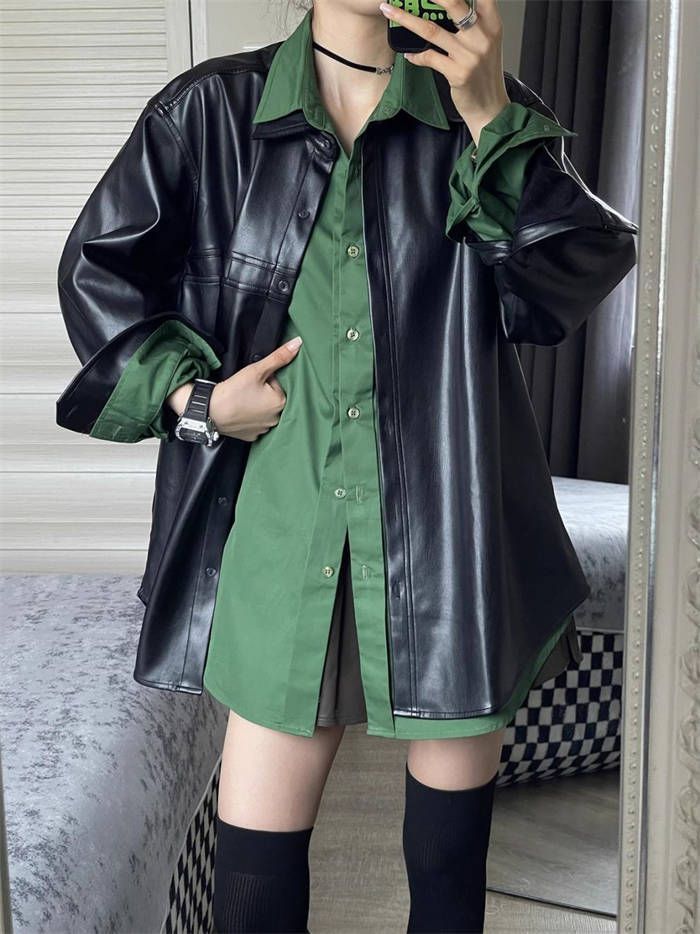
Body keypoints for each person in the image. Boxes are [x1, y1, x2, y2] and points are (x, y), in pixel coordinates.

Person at [54, 0, 638, 930]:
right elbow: (99, 271)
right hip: (281, 528)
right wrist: (198, 399)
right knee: (252, 883)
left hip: (452, 529)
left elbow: (561, 285)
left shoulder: (483, 104)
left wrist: (490, 116)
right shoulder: (210, 112)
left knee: (448, 875)